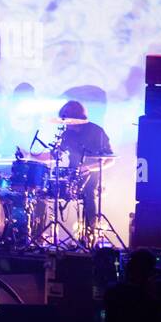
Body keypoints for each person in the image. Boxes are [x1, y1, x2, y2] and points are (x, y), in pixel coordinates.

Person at [25, 99, 113, 241]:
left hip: (92, 176)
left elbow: (110, 159)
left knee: (89, 193)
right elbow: (54, 156)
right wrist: (30, 155)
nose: (65, 122)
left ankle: (92, 233)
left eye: (67, 118)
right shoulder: (67, 134)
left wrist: (89, 168)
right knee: (42, 191)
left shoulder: (97, 131)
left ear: (78, 116)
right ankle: (38, 234)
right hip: (72, 177)